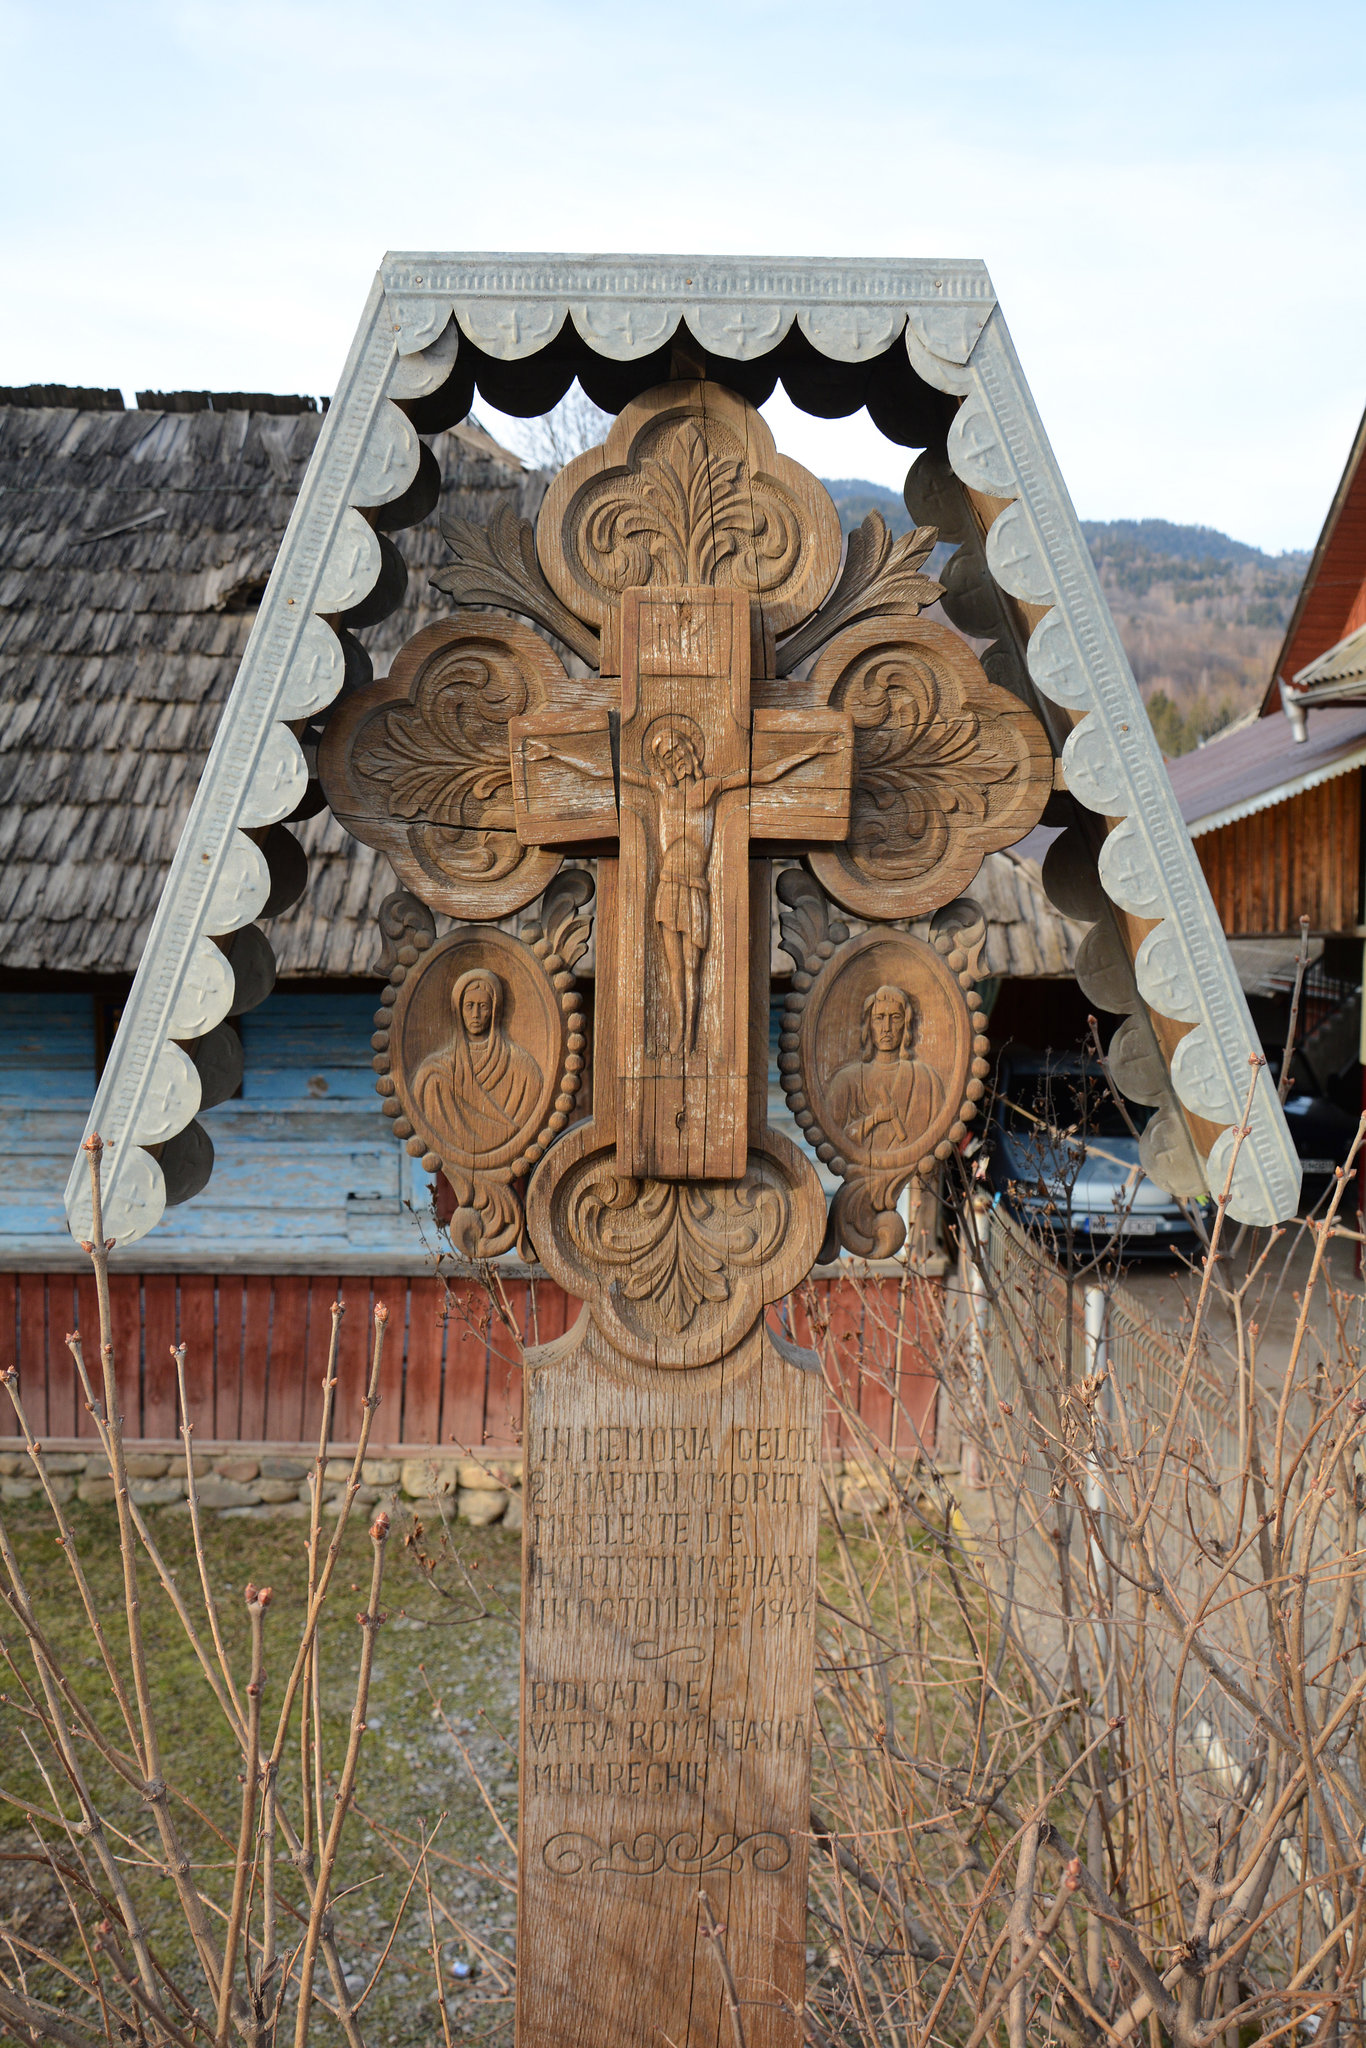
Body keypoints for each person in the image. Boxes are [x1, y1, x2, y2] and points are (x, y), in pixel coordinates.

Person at [413, 967, 542, 1152]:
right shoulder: (435, 1072)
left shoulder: (520, 1067)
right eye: (469, 1006)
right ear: (458, 1010)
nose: (475, 1014)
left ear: (494, 1010)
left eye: (483, 1006)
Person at [827, 984, 944, 1156]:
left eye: (895, 1017)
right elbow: (836, 1136)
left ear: (906, 1024)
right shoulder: (847, 1080)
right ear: (868, 1025)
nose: (886, 1027)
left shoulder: (925, 1079)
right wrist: (874, 1119)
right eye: (879, 1018)